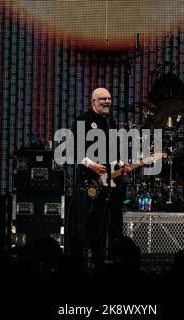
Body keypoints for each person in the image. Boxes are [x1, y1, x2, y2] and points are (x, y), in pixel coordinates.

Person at [68, 88, 131, 265]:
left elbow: (113, 150)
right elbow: (73, 150)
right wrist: (92, 165)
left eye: (109, 98)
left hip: (110, 181)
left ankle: (110, 254)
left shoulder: (111, 121)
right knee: (91, 219)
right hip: (90, 180)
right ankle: (88, 257)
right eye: (103, 98)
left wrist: (121, 163)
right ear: (93, 101)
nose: (107, 101)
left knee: (112, 217)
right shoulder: (83, 120)